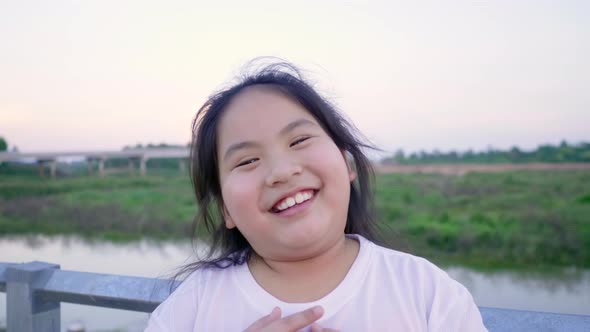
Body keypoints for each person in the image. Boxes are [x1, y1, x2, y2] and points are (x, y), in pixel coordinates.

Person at [145, 61, 487, 331]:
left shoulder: (426, 293)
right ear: (226, 210)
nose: (281, 171)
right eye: (248, 160)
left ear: (346, 161)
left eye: (299, 140)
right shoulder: (191, 308)